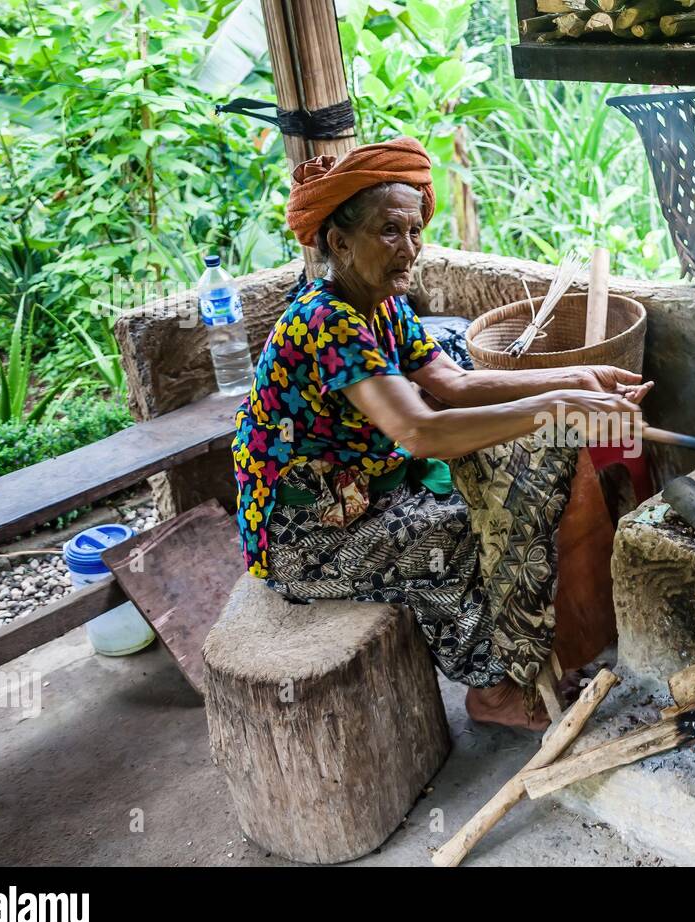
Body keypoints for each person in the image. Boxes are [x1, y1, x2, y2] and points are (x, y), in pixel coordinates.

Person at [231, 137, 650, 729]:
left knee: (504, 488)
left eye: (414, 231)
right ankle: (493, 693)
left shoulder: (381, 303)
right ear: (339, 242)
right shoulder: (325, 321)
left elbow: (453, 383)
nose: (409, 249)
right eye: (389, 232)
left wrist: (579, 376)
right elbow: (421, 429)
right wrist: (559, 403)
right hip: (305, 536)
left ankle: (520, 660)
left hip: (370, 498)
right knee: (457, 531)